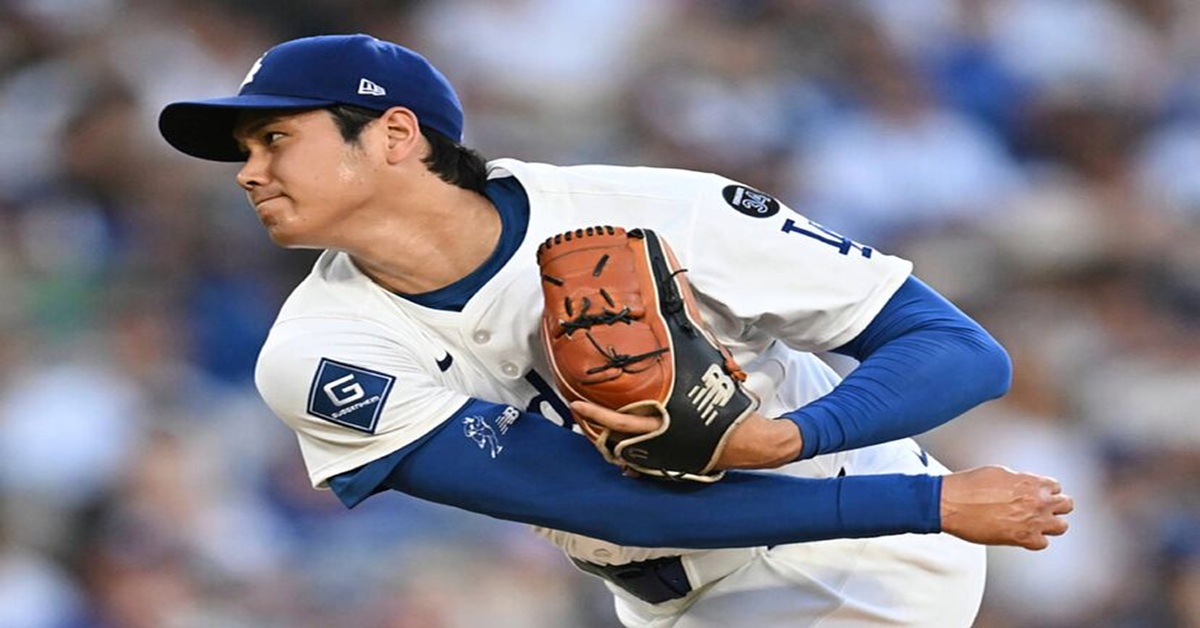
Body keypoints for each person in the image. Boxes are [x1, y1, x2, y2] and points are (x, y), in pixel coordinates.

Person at [158, 34, 1073, 627]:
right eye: (245, 151)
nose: (249, 170)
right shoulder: (319, 353)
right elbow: (606, 503)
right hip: (675, 592)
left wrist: (790, 438)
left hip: (852, 558)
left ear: (395, 135)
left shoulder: (653, 206)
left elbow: (960, 351)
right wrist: (934, 504)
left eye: (275, 138)